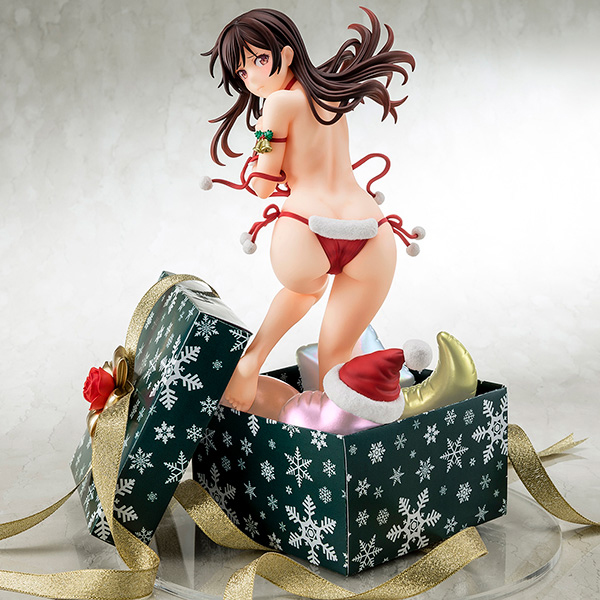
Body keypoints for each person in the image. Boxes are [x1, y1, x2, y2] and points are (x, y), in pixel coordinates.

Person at [202, 7, 419, 411]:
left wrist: (260, 148)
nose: (252, 78)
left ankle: (251, 361)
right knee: (335, 360)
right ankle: (339, 430)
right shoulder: (330, 95)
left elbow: (263, 184)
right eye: (242, 72)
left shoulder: (277, 104)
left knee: (305, 288)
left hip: (307, 226)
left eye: (258, 60)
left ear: (285, 54)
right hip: (373, 231)